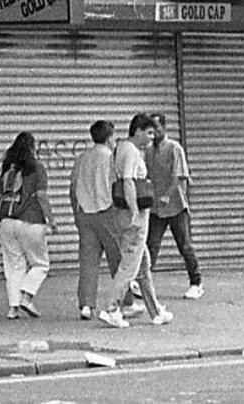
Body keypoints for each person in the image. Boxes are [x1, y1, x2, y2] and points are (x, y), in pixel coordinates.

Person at [98, 112, 170, 329]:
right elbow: (128, 182)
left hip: (124, 214)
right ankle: (111, 308)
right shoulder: (130, 151)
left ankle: (155, 311)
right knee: (130, 264)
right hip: (134, 215)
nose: (152, 137)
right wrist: (135, 212)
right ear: (137, 131)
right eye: (148, 133)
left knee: (142, 264)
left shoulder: (121, 148)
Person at [0, 129, 54, 318]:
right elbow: (41, 196)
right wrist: (51, 219)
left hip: (7, 222)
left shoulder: (8, 170)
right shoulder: (37, 168)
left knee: (13, 265)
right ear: (33, 148)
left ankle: (13, 308)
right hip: (30, 220)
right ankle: (27, 295)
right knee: (41, 264)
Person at [69, 118, 121, 318]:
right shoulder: (111, 158)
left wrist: (76, 212)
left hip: (85, 214)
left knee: (88, 262)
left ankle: (86, 305)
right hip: (107, 212)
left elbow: (72, 188)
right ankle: (123, 302)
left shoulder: (81, 158)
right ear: (109, 138)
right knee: (117, 259)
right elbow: (118, 186)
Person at [147, 112, 203, 297]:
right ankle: (142, 283)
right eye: (150, 128)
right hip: (156, 208)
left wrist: (167, 195)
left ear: (164, 127)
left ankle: (196, 283)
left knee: (185, 245)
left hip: (176, 207)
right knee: (151, 245)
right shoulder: (148, 150)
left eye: (156, 127)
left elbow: (178, 177)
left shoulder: (174, 148)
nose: (153, 131)